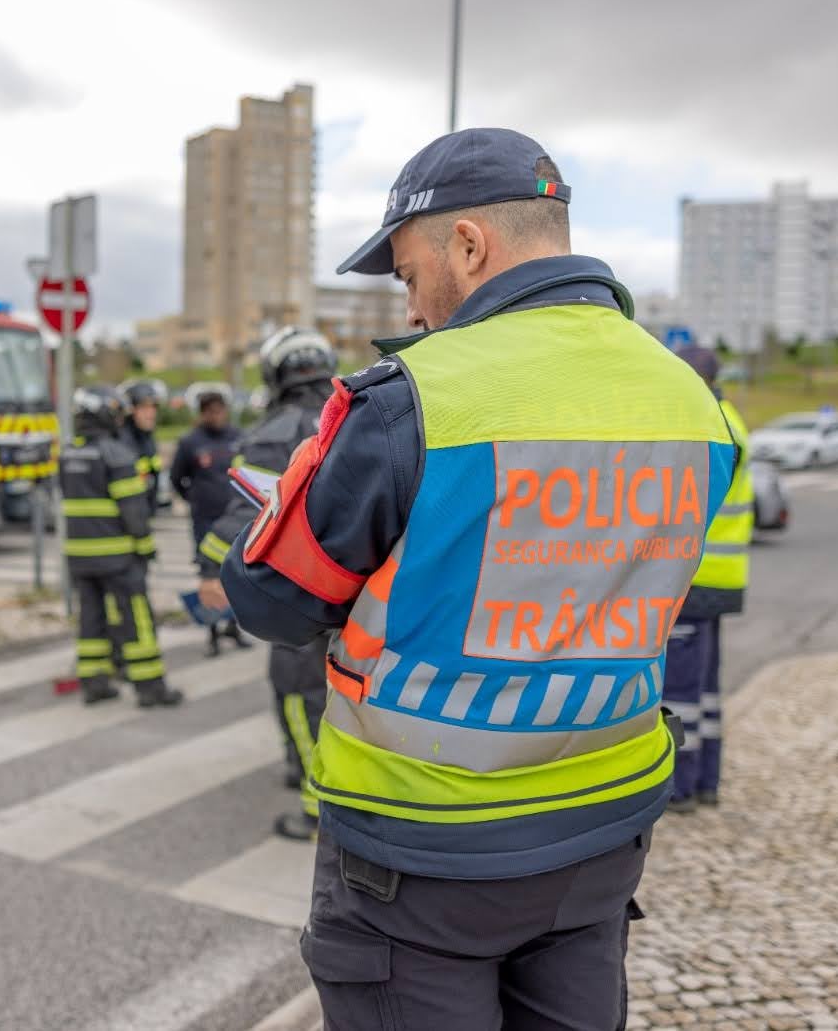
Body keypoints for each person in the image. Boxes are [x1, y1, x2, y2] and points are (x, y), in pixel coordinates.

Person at [219, 128, 738, 1028]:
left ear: (468, 245)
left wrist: (300, 485)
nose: (413, 307)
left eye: (409, 274)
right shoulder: (692, 402)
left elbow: (271, 599)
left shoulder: (411, 399)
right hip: (600, 829)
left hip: (419, 856)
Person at [197, 327, 339, 841]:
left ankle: (319, 805)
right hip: (364, 592)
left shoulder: (276, 430)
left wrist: (210, 568)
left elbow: (247, 509)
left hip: (301, 592)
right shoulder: (361, 411)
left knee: (299, 691)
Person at [665, 345, 753, 812]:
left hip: (694, 577)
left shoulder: (709, 425)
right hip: (720, 576)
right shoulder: (729, 416)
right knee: (705, 688)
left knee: (680, 689)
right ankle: (707, 780)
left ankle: (681, 785)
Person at [61, 385, 183, 708]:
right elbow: (134, 511)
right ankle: (151, 688)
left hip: (79, 559)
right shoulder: (117, 455)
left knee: (91, 620)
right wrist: (145, 548)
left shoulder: (68, 454)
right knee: (137, 622)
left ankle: (95, 682)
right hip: (118, 558)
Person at [170, 388, 251, 656]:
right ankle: (213, 632)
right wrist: (195, 499)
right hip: (205, 521)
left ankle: (233, 628)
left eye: (219, 410)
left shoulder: (238, 438)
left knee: (237, 574)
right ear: (203, 414)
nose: (216, 416)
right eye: (210, 411)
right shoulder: (191, 442)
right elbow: (176, 479)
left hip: (235, 521)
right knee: (209, 576)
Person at [119, 380, 166, 514]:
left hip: (145, 514)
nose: (151, 413)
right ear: (130, 410)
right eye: (144, 408)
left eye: (153, 407)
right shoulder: (122, 442)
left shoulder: (147, 438)